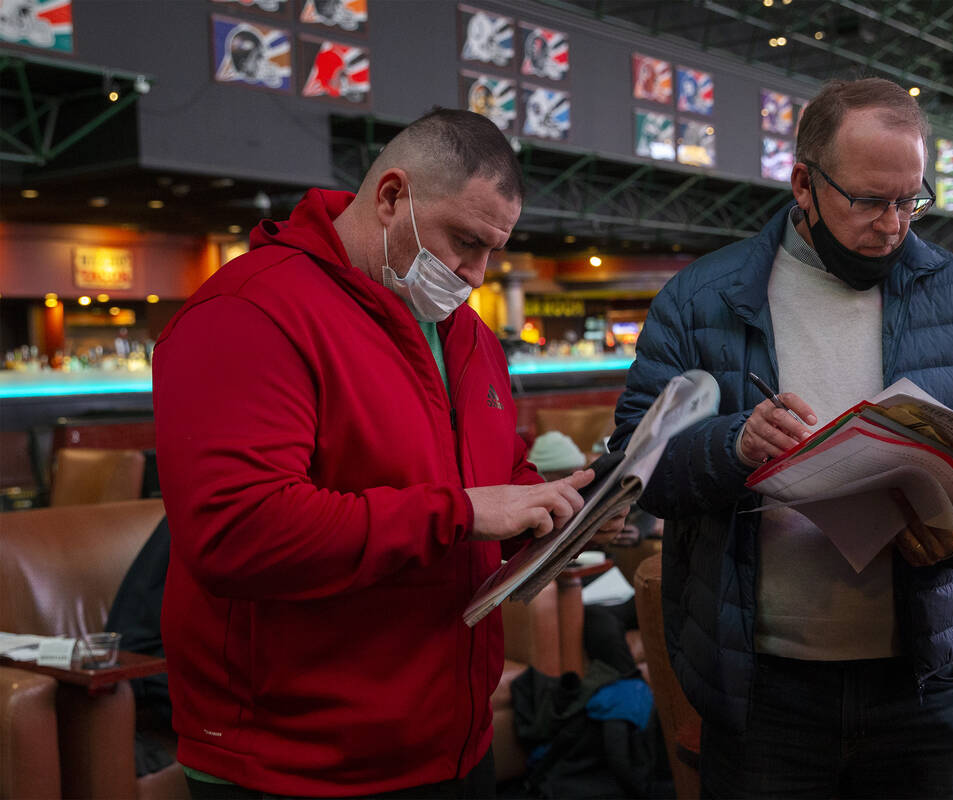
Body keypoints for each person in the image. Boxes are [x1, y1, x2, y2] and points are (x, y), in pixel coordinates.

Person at [153, 108, 622, 799]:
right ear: (392, 197)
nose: (478, 273)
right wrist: (460, 512)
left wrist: (563, 512)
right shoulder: (250, 311)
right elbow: (236, 529)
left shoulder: (466, 336)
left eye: (494, 249)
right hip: (296, 762)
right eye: (465, 240)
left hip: (449, 741)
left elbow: (497, 474)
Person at [611, 77, 953, 798]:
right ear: (804, 184)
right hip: (764, 699)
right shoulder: (702, 299)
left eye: (911, 199)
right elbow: (634, 469)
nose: (895, 223)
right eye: (870, 201)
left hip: (924, 687)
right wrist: (733, 445)